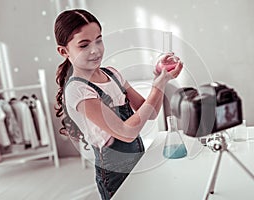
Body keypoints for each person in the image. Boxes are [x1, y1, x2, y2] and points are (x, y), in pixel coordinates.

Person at [54, 9, 183, 200]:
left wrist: (159, 76)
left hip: (138, 160)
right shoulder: (77, 90)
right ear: (64, 51)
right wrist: (159, 86)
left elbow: (152, 112)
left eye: (99, 39)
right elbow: (127, 132)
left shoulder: (112, 74)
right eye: (84, 45)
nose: (95, 49)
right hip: (114, 175)